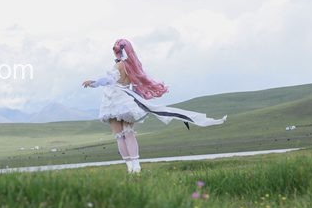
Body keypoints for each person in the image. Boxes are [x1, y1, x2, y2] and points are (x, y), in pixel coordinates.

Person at [82, 39, 226, 174]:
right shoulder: (133, 66)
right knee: (128, 132)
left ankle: (130, 167)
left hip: (113, 101)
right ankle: (136, 166)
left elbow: (109, 80)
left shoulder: (119, 65)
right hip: (126, 101)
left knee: (120, 136)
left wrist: (93, 82)